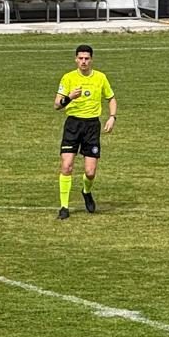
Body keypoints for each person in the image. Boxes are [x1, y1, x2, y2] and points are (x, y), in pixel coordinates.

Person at [54, 44, 117, 219]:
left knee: (90, 172)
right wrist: (69, 98)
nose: (83, 62)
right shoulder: (68, 78)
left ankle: (86, 191)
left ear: (91, 60)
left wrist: (112, 117)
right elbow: (56, 105)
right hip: (73, 125)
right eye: (80, 58)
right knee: (66, 166)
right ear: (76, 59)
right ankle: (64, 207)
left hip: (91, 126)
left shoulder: (100, 78)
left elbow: (111, 98)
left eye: (86, 58)